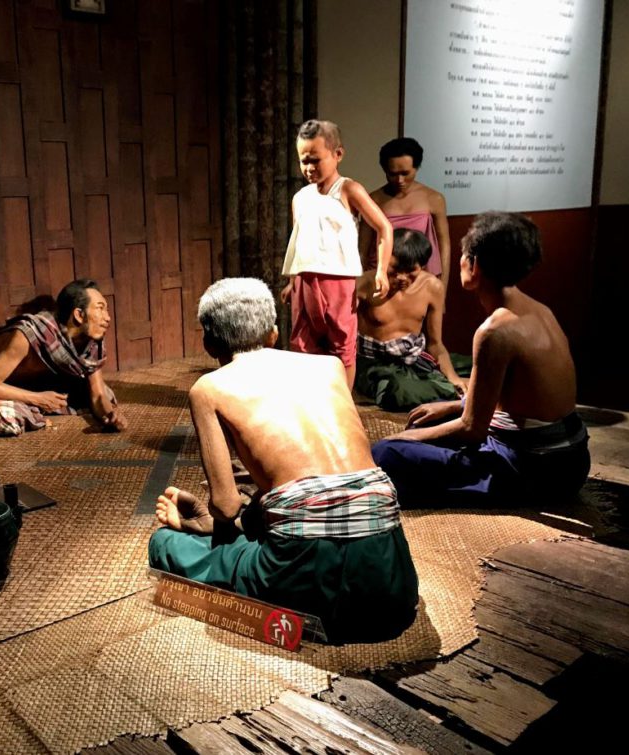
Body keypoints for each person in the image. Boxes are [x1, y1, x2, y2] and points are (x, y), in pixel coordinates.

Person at [148, 278, 418, 643]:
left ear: (208, 343)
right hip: (391, 575)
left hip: (304, 567)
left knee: (166, 544)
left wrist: (214, 523)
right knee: (271, 518)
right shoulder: (329, 367)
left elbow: (226, 507)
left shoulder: (208, 388)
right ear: (274, 334)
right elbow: (315, 483)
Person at [372, 212, 590, 507]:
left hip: (534, 471)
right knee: (433, 419)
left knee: (386, 453)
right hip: (573, 461)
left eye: (464, 254)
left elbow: (472, 430)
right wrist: (451, 406)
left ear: (473, 266)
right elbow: (516, 398)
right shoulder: (541, 311)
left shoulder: (495, 331)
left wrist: (404, 439)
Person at [280, 119, 394, 390]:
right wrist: (292, 281)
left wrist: (381, 271)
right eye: (304, 161)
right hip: (305, 283)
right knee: (302, 344)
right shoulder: (300, 198)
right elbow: (302, 243)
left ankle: (343, 405)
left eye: (316, 160)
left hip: (338, 283)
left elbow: (384, 228)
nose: (309, 168)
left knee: (341, 343)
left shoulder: (348, 190)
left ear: (337, 154)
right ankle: (311, 402)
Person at [0, 279, 127, 435]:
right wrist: (38, 399)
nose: (108, 317)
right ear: (79, 315)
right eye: (100, 308)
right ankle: (30, 407)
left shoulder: (91, 341)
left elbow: (97, 394)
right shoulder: (25, 336)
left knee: (106, 395)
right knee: (4, 417)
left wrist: (112, 414)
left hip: (39, 384)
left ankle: (32, 408)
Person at [355, 228, 470, 410]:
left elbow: (435, 344)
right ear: (383, 260)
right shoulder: (363, 284)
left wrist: (453, 377)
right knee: (400, 391)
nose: (401, 278)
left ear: (422, 266)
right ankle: (442, 389)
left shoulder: (433, 287)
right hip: (373, 364)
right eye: (394, 270)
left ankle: (445, 386)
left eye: (410, 272)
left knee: (477, 366)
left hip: (412, 357)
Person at [362, 137, 451, 289]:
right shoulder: (373, 199)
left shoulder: (433, 198)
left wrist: (441, 288)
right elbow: (362, 249)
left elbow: (444, 246)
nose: (400, 180)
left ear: (416, 168)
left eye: (405, 173)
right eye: (392, 174)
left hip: (418, 278)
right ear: (385, 170)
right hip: (382, 277)